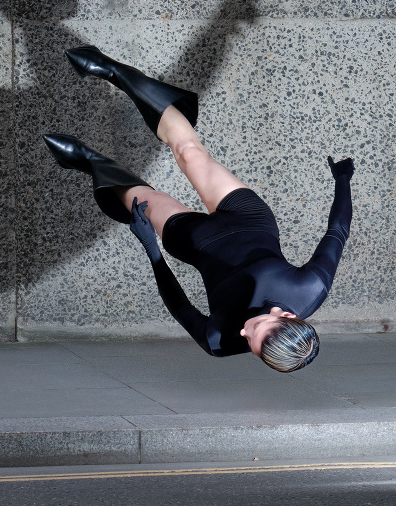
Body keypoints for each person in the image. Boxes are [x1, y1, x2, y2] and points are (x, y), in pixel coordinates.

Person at [44, 46, 354, 372]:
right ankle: (112, 69)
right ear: (287, 315)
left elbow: (179, 306)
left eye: (250, 345)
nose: (243, 333)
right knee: (190, 152)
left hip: (198, 243)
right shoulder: (310, 287)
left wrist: (151, 248)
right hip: (249, 219)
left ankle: (89, 160)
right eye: (256, 329)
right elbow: (338, 231)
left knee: (136, 201)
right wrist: (343, 180)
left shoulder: (220, 341)